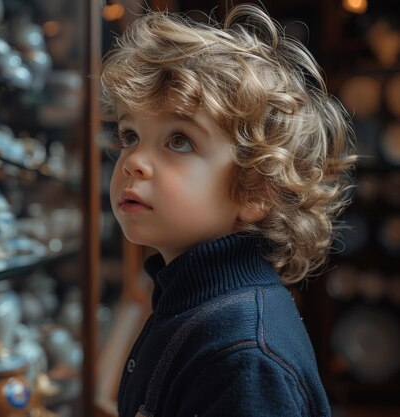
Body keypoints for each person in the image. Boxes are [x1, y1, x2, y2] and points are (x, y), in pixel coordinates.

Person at [100, 3, 357, 417]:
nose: (133, 161)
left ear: (255, 189)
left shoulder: (244, 356)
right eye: (131, 135)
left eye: (179, 141)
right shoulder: (186, 301)